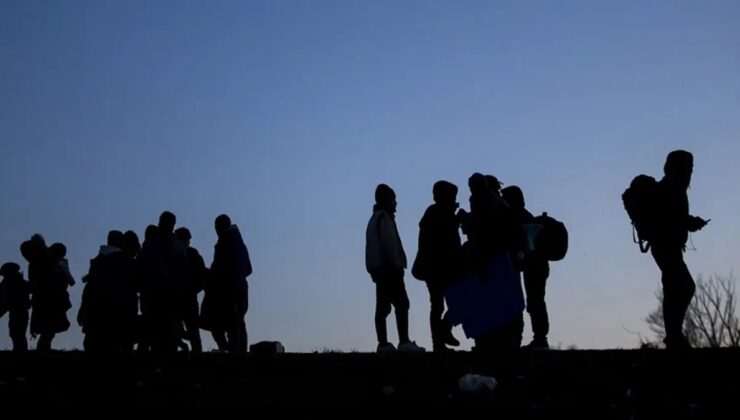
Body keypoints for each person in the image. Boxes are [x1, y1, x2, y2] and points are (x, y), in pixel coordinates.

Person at [652, 150, 709, 349]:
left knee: (677, 287)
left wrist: (689, 222)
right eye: (687, 167)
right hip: (665, 245)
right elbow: (670, 217)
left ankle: (674, 335)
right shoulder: (671, 188)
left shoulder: (673, 187)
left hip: (668, 246)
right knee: (681, 287)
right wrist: (691, 222)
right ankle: (674, 335)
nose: (689, 172)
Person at [366, 184, 425, 353]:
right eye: (393, 199)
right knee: (401, 304)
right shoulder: (383, 219)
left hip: (380, 270)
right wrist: (397, 264)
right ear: (387, 200)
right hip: (389, 269)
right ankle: (403, 342)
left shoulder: (375, 219)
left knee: (383, 306)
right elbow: (389, 245)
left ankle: (383, 343)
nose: (396, 203)